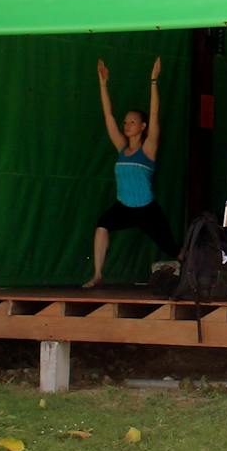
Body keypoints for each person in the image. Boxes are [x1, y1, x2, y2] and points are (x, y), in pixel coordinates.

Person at [83, 57, 176, 288]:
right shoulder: (122, 148)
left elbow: (154, 115)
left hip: (147, 209)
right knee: (102, 224)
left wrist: (153, 81)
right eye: (126, 122)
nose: (127, 125)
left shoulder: (149, 149)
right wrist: (103, 84)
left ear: (142, 127)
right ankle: (97, 275)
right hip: (123, 206)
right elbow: (109, 117)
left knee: (174, 249)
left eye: (132, 122)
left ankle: (190, 270)